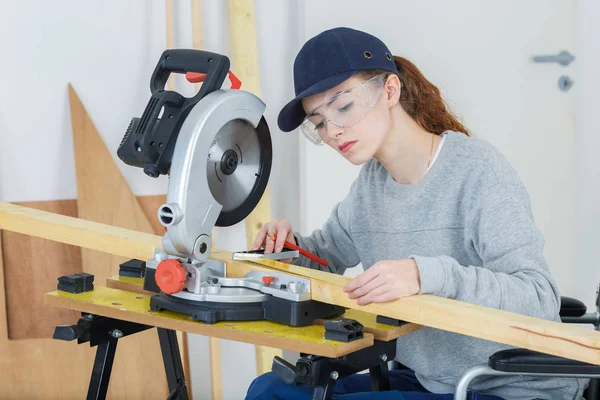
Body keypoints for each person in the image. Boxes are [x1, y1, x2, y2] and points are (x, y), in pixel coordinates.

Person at [245, 27, 587, 400]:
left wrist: (428, 274)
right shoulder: (370, 186)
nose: (334, 131)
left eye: (343, 107)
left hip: (501, 385)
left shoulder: (477, 171)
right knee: (269, 390)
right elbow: (324, 258)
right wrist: (288, 250)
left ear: (390, 90)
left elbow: (538, 297)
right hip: (432, 380)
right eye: (320, 122)